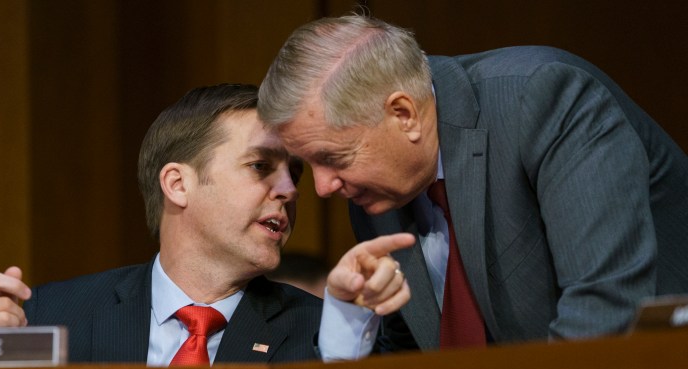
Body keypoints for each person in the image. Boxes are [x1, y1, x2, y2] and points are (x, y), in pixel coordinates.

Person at [257, 15, 688, 351]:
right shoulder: (377, 193)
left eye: (333, 159)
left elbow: (604, 310)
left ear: (403, 114)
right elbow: (410, 358)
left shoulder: (541, 99)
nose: (323, 188)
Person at [0, 83, 415, 365]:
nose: (291, 191)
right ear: (178, 184)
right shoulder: (48, 321)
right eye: (260, 167)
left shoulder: (326, 333)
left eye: (292, 174)